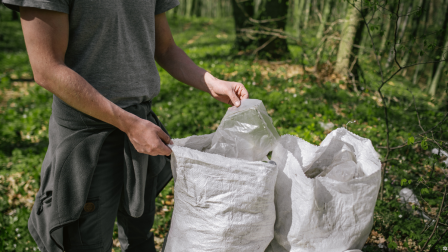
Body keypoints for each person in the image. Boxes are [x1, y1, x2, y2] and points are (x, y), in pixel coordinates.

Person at [1, 0, 249, 251]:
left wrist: (211, 82)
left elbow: (165, 48)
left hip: (141, 128)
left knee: (140, 239)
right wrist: (129, 124)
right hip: (89, 138)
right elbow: (47, 68)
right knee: (86, 243)